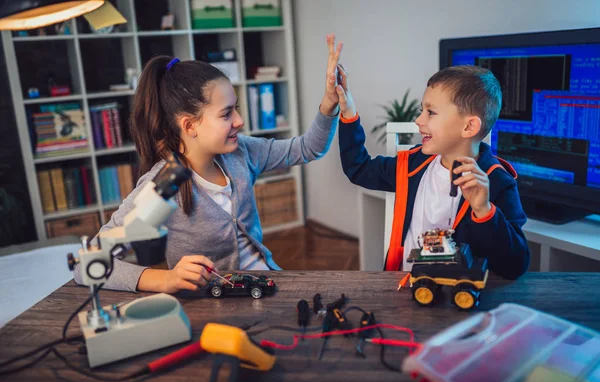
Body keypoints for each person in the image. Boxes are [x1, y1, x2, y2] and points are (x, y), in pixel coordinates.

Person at [74, 34, 345, 293]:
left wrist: (329, 102)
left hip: (264, 284)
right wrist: (164, 279)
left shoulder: (243, 152)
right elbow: (87, 265)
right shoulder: (162, 185)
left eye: (236, 108)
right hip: (209, 304)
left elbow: (309, 148)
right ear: (190, 125)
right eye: (226, 113)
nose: (239, 121)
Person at [336, 64, 529, 279]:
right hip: (403, 286)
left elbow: (515, 266)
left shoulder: (497, 182)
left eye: (431, 112)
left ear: (468, 127)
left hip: (455, 298)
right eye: (421, 111)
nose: (418, 120)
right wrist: (348, 112)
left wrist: (484, 211)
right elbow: (359, 168)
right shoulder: (411, 165)